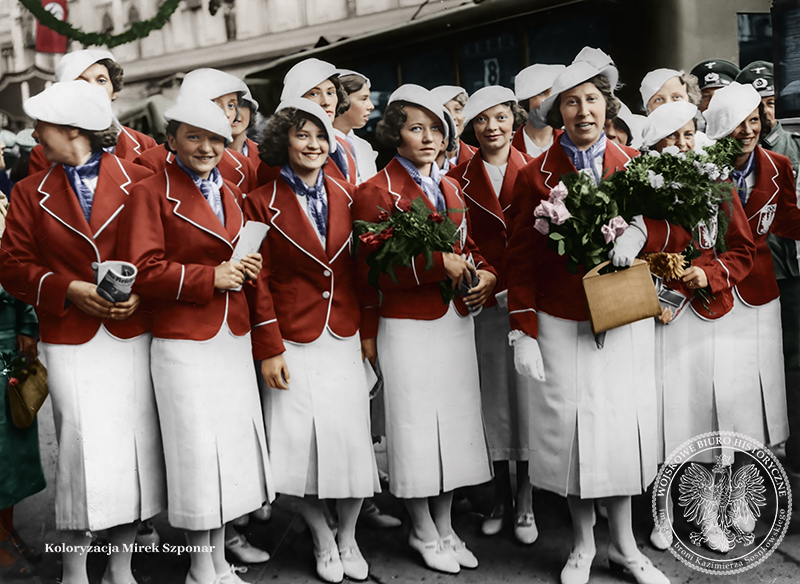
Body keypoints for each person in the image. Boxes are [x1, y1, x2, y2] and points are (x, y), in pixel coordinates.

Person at [506, 55, 683, 584]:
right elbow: (520, 258)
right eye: (571, 101)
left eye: (592, 98)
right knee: (574, 431)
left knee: (621, 430)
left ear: (609, 104)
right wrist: (523, 330)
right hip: (561, 321)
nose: (583, 110)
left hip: (624, 314)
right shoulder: (535, 175)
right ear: (557, 111)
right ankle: (582, 546)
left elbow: (675, 229)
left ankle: (626, 548)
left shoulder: (634, 162)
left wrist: (641, 234)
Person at [0, 81, 165, 584]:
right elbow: (11, 266)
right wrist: (64, 288)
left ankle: (120, 568)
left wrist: (145, 293)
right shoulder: (30, 191)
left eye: (41, 124)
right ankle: (75, 569)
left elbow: (159, 256)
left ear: (73, 128)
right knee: (80, 449)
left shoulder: (141, 180)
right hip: (69, 336)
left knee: (135, 449)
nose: (32, 133)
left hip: (131, 333)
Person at [117, 97, 274, 584]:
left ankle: (218, 561)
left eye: (215, 138)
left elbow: (245, 273)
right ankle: (201, 567)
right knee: (197, 456)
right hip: (184, 341)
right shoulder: (150, 192)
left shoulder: (231, 191)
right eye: (193, 136)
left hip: (230, 338)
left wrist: (244, 276)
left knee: (227, 453)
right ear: (172, 141)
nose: (206, 147)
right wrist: (210, 278)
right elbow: (141, 271)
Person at [353, 84, 495, 575]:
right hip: (406, 323)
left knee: (454, 423)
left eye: (437, 128)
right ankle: (420, 527)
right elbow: (373, 270)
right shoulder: (374, 191)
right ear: (395, 134)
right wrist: (441, 264)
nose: (429, 137)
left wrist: (485, 275)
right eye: (416, 128)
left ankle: (444, 524)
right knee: (414, 426)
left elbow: (470, 246)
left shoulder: (452, 186)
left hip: (453, 322)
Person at [245, 97, 380, 583]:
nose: (314, 144)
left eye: (321, 135)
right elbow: (254, 282)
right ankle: (320, 533)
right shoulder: (259, 203)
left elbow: (361, 274)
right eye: (302, 135)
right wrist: (270, 347)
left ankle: (347, 535)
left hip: (341, 333)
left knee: (349, 442)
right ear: (284, 142)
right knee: (294, 447)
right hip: (292, 338)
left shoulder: (350, 194)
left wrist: (367, 335)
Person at [638, 101, 755, 551]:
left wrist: (710, 274)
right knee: (667, 416)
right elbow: (631, 257)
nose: (684, 145)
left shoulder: (718, 182)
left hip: (707, 317)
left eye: (690, 134)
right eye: (673, 137)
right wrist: (657, 293)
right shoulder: (640, 187)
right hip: (663, 318)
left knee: (708, 417)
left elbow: (742, 250)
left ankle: (709, 516)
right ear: (655, 143)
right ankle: (664, 511)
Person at [447, 85, 536, 543]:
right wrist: (483, 279)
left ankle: (528, 499)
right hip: (482, 304)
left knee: (527, 399)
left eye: (500, 117)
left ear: (514, 120)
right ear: (470, 128)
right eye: (482, 120)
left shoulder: (538, 171)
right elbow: (458, 242)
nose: (492, 127)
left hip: (526, 301)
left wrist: (508, 284)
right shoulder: (457, 178)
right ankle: (501, 494)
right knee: (494, 401)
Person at [703, 82, 800, 476]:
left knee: (761, 384)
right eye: (738, 123)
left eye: (754, 120)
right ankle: (718, 469)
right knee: (721, 385)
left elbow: (786, 217)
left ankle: (754, 473)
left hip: (760, 289)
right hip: (715, 289)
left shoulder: (779, 165)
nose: (748, 130)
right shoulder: (703, 165)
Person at [737, 60, 800, 475]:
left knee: (787, 367)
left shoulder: (785, 156)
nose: (756, 121)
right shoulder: (710, 161)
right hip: (731, 281)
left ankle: (783, 456)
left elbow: (788, 215)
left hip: (783, 275)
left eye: (766, 107)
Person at [0, 173, 43, 580]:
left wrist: (27, 322)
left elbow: (18, 262)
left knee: (12, 445)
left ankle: (7, 532)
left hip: (7, 341)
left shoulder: (1, 200)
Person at [28, 49, 157, 175]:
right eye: (80, 82)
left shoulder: (145, 144)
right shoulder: (43, 152)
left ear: (114, 92)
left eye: (101, 81)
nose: (92, 88)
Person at [134, 68, 257, 193]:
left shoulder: (243, 165)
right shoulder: (151, 161)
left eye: (231, 105)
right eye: (214, 102)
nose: (226, 113)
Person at [333, 69, 378, 183]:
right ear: (342, 100)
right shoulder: (321, 145)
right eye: (363, 99)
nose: (371, 106)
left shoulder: (364, 147)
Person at [512, 64, 565, 157]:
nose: (551, 100)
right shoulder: (508, 146)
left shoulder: (571, 140)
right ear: (525, 102)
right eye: (542, 93)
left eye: (555, 92)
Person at [430, 86, 477, 171]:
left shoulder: (480, 157)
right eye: (445, 111)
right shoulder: (420, 159)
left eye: (457, 109)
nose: (452, 117)